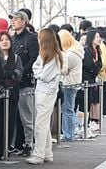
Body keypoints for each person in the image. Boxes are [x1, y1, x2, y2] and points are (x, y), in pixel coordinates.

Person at [26, 28, 63, 164]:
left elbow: (43, 75)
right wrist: (39, 73)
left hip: (45, 92)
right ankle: (47, 152)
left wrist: (39, 73)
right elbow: (36, 69)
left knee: (40, 124)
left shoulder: (53, 57)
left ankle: (39, 154)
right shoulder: (48, 55)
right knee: (44, 123)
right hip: (44, 91)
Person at [9, 10, 39, 156]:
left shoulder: (31, 38)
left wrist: (20, 73)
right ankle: (17, 144)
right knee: (15, 117)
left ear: (24, 21)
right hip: (13, 83)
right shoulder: (12, 39)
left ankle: (28, 144)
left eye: (16, 19)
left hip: (25, 82)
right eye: (12, 19)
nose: (13, 21)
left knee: (26, 116)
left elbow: (34, 59)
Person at [0, 32, 23, 153]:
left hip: (12, 92)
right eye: (1, 40)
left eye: (7, 39)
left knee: (11, 119)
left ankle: (7, 147)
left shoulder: (16, 57)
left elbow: (19, 72)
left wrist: (12, 76)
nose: (5, 42)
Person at [58, 29, 84, 141]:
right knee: (70, 108)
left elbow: (63, 69)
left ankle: (68, 134)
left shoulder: (70, 54)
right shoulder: (77, 50)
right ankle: (70, 133)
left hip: (68, 83)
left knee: (67, 109)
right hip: (74, 82)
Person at [83, 27, 102, 128]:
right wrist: (95, 66)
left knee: (90, 102)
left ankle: (87, 124)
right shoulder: (86, 50)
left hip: (92, 79)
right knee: (86, 103)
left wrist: (95, 66)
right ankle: (84, 125)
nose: (99, 39)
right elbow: (89, 65)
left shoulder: (98, 51)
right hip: (86, 79)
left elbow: (100, 65)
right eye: (97, 37)